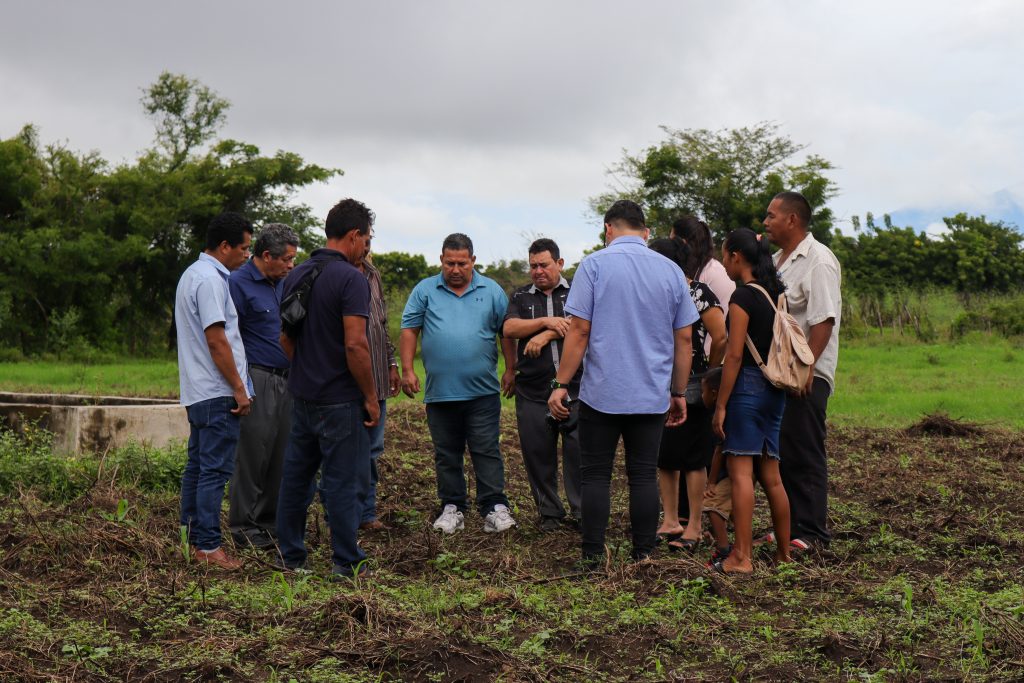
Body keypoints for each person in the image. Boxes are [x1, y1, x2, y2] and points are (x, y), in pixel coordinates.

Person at [547, 200, 699, 566]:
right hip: (650, 394)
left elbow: (580, 331)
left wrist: (561, 382)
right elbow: (684, 341)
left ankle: (592, 555)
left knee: (596, 475)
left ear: (608, 229)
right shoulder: (671, 271)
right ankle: (643, 553)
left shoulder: (594, 266)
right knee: (643, 475)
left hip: (603, 393)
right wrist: (678, 392)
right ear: (645, 231)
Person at [275, 198, 379, 580]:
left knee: (297, 476)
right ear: (353, 236)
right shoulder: (351, 278)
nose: (365, 247)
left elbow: (286, 339)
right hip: (339, 399)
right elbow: (356, 344)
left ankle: (291, 557)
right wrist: (370, 397)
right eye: (365, 239)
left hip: (301, 395)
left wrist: (307, 368)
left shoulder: (297, 273)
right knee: (342, 480)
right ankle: (345, 561)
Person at [400, 233, 518, 535]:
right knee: (446, 453)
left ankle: (494, 507)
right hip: (441, 393)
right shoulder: (425, 289)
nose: (455, 269)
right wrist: (407, 369)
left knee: (486, 449)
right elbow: (410, 329)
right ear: (441, 260)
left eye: (461, 263)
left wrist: (511, 370)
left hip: (483, 392)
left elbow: (505, 332)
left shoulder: (491, 290)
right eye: (449, 263)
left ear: (472, 261)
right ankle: (452, 507)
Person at [175, 211, 254, 571]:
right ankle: (207, 546)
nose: (247, 256)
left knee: (198, 467)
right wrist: (239, 388)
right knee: (213, 471)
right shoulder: (210, 280)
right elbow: (216, 339)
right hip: (217, 390)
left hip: (198, 390)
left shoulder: (193, 274)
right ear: (224, 246)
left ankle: (189, 539)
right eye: (244, 248)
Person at [763, 191, 842, 552]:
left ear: (792, 220)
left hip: (806, 373)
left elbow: (823, 318)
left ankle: (811, 533)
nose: (766, 222)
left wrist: (809, 367)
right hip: (782, 373)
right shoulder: (779, 261)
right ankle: (789, 528)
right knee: (785, 450)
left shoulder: (818, 261)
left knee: (805, 450)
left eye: (771, 216)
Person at [711, 228, 792, 574]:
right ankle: (784, 555)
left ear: (736, 257)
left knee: (741, 473)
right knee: (772, 476)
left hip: (746, 389)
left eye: (724, 255)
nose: (722, 262)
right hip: (775, 391)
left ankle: (741, 557)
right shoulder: (775, 293)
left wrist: (721, 405)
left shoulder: (742, 297)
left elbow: (733, 355)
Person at [647, 238, 726, 552]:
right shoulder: (655, 293)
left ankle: (694, 525)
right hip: (657, 382)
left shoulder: (698, 292)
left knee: (693, 458)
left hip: (693, 383)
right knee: (664, 455)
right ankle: (670, 520)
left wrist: (710, 373)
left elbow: (720, 336)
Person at [227, 223, 298, 550]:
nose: (290, 266)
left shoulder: (284, 284)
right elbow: (229, 338)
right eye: (286, 259)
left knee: (281, 454)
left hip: (288, 378)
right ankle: (243, 526)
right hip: (257, 375)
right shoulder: (238, 284)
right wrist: (239, 385)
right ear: (266, 255)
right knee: (254, 453)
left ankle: (268, 524)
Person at [503, 238, 582, 532]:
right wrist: (547, 323)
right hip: (533, 390)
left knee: (578, 453)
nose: (538, 271)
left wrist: (548, 335)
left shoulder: (578, 289)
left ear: (559, 264)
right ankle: (549, 512)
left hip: (576, 387)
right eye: (533, 265)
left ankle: (582, 511)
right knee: (537, 454)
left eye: (544, 265)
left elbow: (585, 323)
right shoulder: (521, 296)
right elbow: (509, 328)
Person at [356, 238, 401, 531]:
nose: (367, 246)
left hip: (378, 377)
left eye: (370, 241)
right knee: (342, 450)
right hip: (346, 381)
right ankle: (339, 513)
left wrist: (391, 363)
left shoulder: (373, 274)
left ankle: (366, 513)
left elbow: (381, 323)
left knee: (372, 449)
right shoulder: (329, 274)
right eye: (364, 240)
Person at [699, 368, 733, 565]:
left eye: (703, 391)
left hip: (730, 474)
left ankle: (723, 550)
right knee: (732, 508)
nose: (701, 396)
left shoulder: (720, 418)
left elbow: (719, 451)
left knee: (713, 505)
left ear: (713, 394)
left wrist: (710, 483)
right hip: (735, 473)